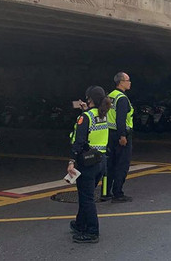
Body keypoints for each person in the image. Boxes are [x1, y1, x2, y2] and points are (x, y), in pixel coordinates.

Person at [67, 86, 110, 243]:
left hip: (87, 162)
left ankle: (92, 231)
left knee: (87, 198)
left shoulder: (86, 117)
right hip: (100, 161)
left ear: (89, 99)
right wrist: (85, 111)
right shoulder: (102, 114)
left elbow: (79, 141)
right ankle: (80, 224)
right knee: (86, 195)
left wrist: (71, 161)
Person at [104, 72, 134, 203]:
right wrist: (122, 136)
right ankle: (118, 193)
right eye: (128, 80)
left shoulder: (110, 96)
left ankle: (106, 192)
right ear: (121, 82)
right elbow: (120, 119)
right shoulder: (122, 98)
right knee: (122, 165)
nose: (130, 82)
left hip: (109, 134)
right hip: (120, 135)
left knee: (110, 165)